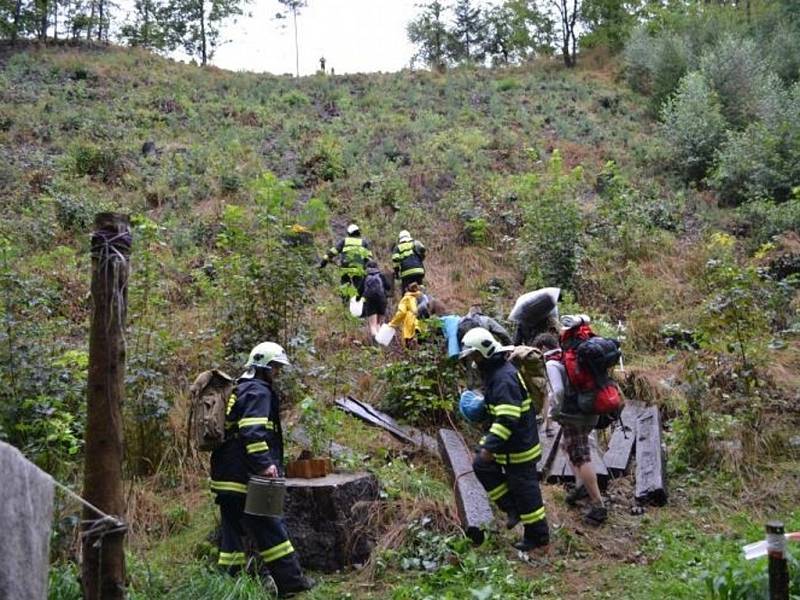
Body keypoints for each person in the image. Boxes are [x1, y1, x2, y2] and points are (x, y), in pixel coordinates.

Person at [210, 342, 315, 597]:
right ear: (264, 368)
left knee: (232, 533)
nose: (277, 373)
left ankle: (228, 584)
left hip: (226, 475)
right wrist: (266, 465)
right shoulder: (258, 392)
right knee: (270, 525)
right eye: (275, 367)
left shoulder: (242, 388)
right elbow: (252, 432)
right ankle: (291, 584)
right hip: (247, 476)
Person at [460, 328, 550, 552]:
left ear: (484, 352)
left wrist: (489, 446)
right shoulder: (496, 371)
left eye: (474, 356)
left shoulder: (503, 378)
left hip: (519, 446)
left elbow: (508, 418)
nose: (473, 362)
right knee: (482, 466)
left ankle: (538, 537)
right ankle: (512, 508)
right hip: (510, 444)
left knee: (527, 493)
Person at [532, 332, 607, 526]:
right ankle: (581, 486)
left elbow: (557, 391)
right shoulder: (568, 357)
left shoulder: (552, 363)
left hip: (574, 416)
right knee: (568, 447)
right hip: (588, 411)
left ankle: (598, 505)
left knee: (581, 456)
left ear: (542, 348)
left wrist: (553, 414)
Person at [319, 223, 373, 299]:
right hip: (358, 270)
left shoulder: (344, 241)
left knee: (345, 286)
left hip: (345, 269)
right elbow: (369, 258)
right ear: (358, 232)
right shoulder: (363, 243)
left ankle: (345, 302)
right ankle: (359, 304)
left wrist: (323, 263)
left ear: (349, 233)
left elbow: (332, 252)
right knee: (359, 289)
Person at [357, 260, 391, 337]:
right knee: (378, 323)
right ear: (377, 267)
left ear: (367, 268)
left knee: (373, 325)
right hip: (382, 300)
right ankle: (380, 342)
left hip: (370, 300)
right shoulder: (381, 275)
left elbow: (359, 291)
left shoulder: (365, 277)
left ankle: (375, 343)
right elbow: (388, 287)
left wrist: (358, 300)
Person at [388, 281, 423, 347]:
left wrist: (392, 323)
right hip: (421, 320)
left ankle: (410, 353)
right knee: (421, 342)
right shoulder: (421, 296)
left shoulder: (406, 298)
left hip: (410, 320)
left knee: (408, 341)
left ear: (407, 290)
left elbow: (401, 312)